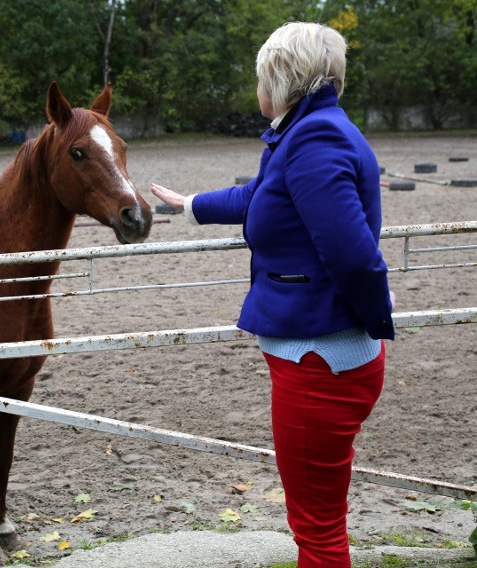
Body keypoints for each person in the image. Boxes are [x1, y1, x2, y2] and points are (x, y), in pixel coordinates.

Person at [151, 22, 395, 567]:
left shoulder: (314, 140)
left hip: (319, 360)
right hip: (319, 358)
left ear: (280, 81)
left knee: (317, 530)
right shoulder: (307, 131)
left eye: (260, 77)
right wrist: (189, 204)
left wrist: (374, 320)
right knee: (318, 519)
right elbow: (260, 196)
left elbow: (354, 256)